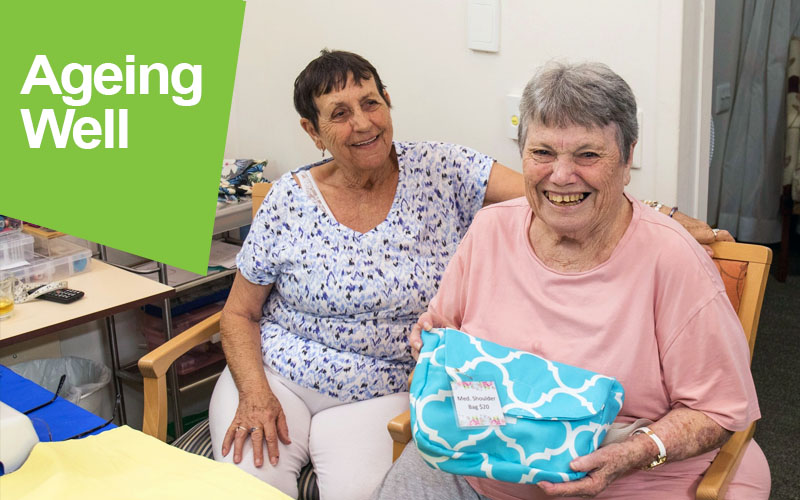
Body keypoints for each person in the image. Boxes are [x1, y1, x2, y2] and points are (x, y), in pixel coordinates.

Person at [208, 50, 734, 500]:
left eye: (371, 102)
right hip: (281, 378)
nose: (363, 123)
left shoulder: (443, 170)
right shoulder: (292, 199)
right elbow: (242, 311)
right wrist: (256, 390)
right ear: (312, 130)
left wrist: (665, 217)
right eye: (339, 113)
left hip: (379, 395)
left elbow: (568, 196)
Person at [373, 62, 769, 500]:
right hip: (480, 467)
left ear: (628, 157)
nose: (561, 175)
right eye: (542, 153)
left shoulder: (672, 260)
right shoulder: (489, 231)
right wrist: (430, 346)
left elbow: (716, 410)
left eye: (588, 154)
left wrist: (633, 454)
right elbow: (441, 332)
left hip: (633, 482)